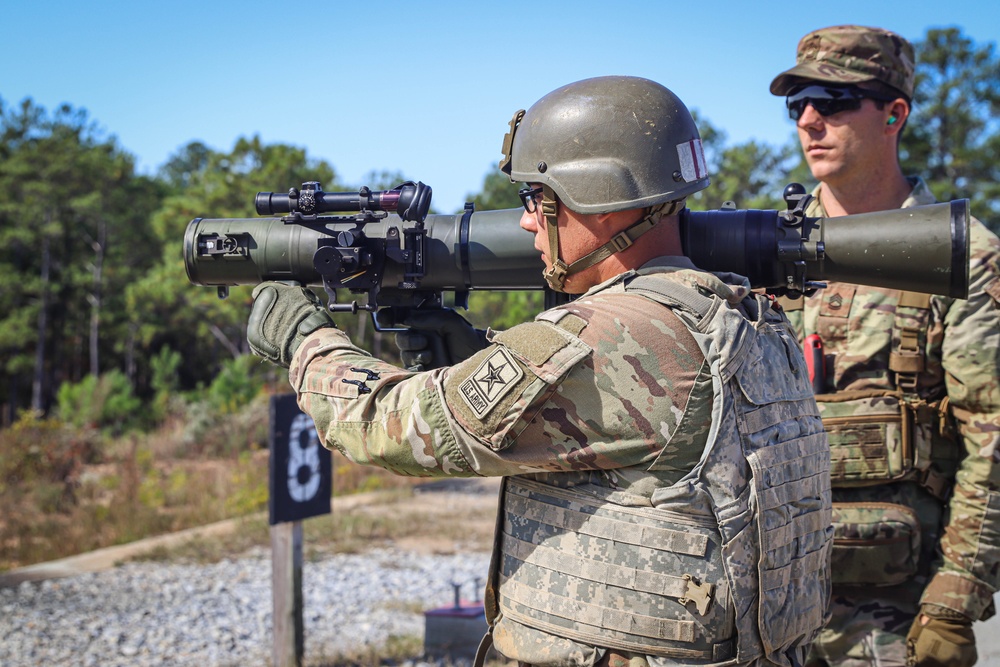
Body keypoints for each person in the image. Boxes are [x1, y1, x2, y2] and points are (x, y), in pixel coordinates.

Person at [247, 75, 832, 667]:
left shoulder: (606, 335)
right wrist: (475, 349)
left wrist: (303, 339)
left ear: (598, 199)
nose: (528, 223)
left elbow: (389, 426)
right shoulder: (750, 318)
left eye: (536, 198)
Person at [769, 24, 1000, 667]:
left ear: (895, 113)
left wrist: (955, 599)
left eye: (834, 101)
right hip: (767, 607)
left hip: (895, 618)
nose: (810, 120)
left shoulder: (961, 258)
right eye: (797, 104)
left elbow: (994, 440)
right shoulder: (760, 251)